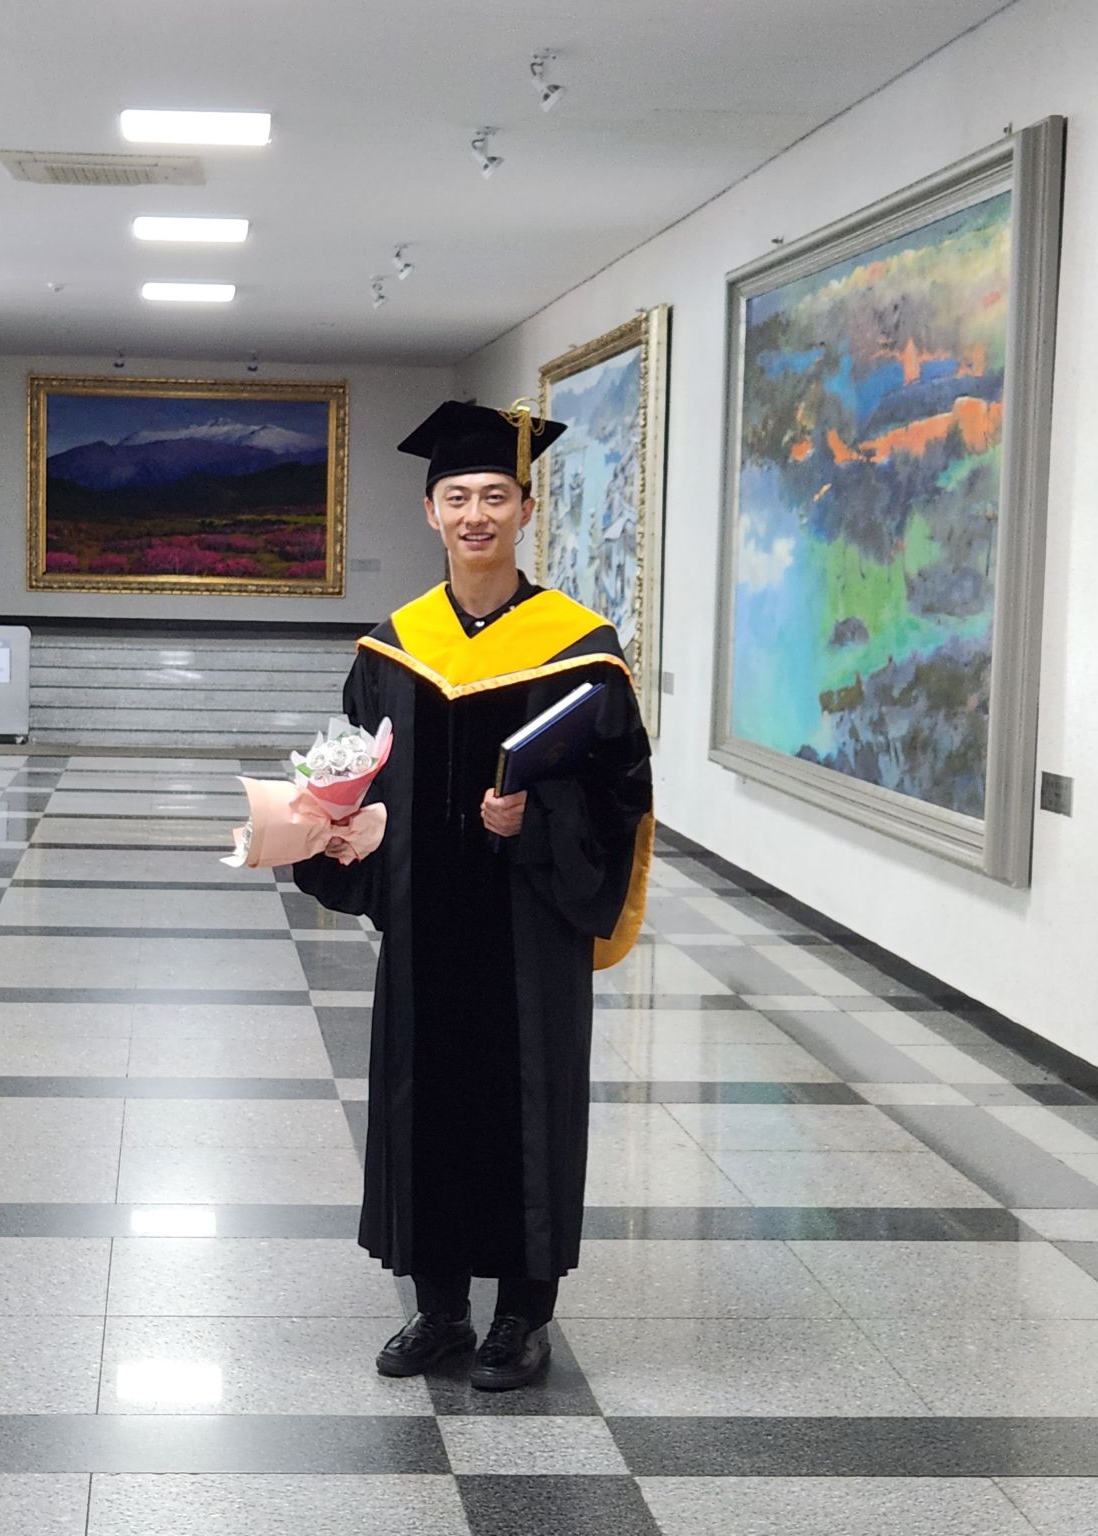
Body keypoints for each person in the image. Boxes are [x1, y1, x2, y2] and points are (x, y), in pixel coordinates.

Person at [292, 398, 654, 1392]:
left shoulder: (579, 649)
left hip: (530, 928)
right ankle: (442, 1309)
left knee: (525, 1104)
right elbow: (353, 774)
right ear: (430, 513)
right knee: (428, 1103)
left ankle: (522, 1317)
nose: (475, 514)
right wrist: (317, 823)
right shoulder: (391, 649)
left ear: (526, 510)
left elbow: (620, 792)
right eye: (457, 497)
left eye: (495, 495)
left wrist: (536, 821)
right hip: (424, 926)